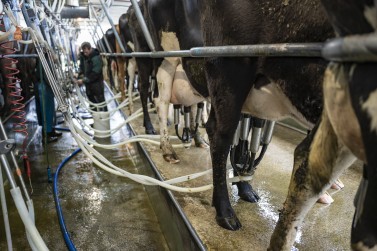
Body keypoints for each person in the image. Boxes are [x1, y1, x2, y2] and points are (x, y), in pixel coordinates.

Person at [75, 42, 107, 111]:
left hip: (97, 84)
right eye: (84, 52)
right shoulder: (84, 56)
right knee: (92, 102)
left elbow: (95, 73)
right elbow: (82, 67)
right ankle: (96, 117)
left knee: (101, 102)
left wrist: (83, 80)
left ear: (90, 49)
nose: (85, 54)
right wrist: (78, 73)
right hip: (89, 84)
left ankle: (104, 118)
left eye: (86, 52)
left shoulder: (96, 57)